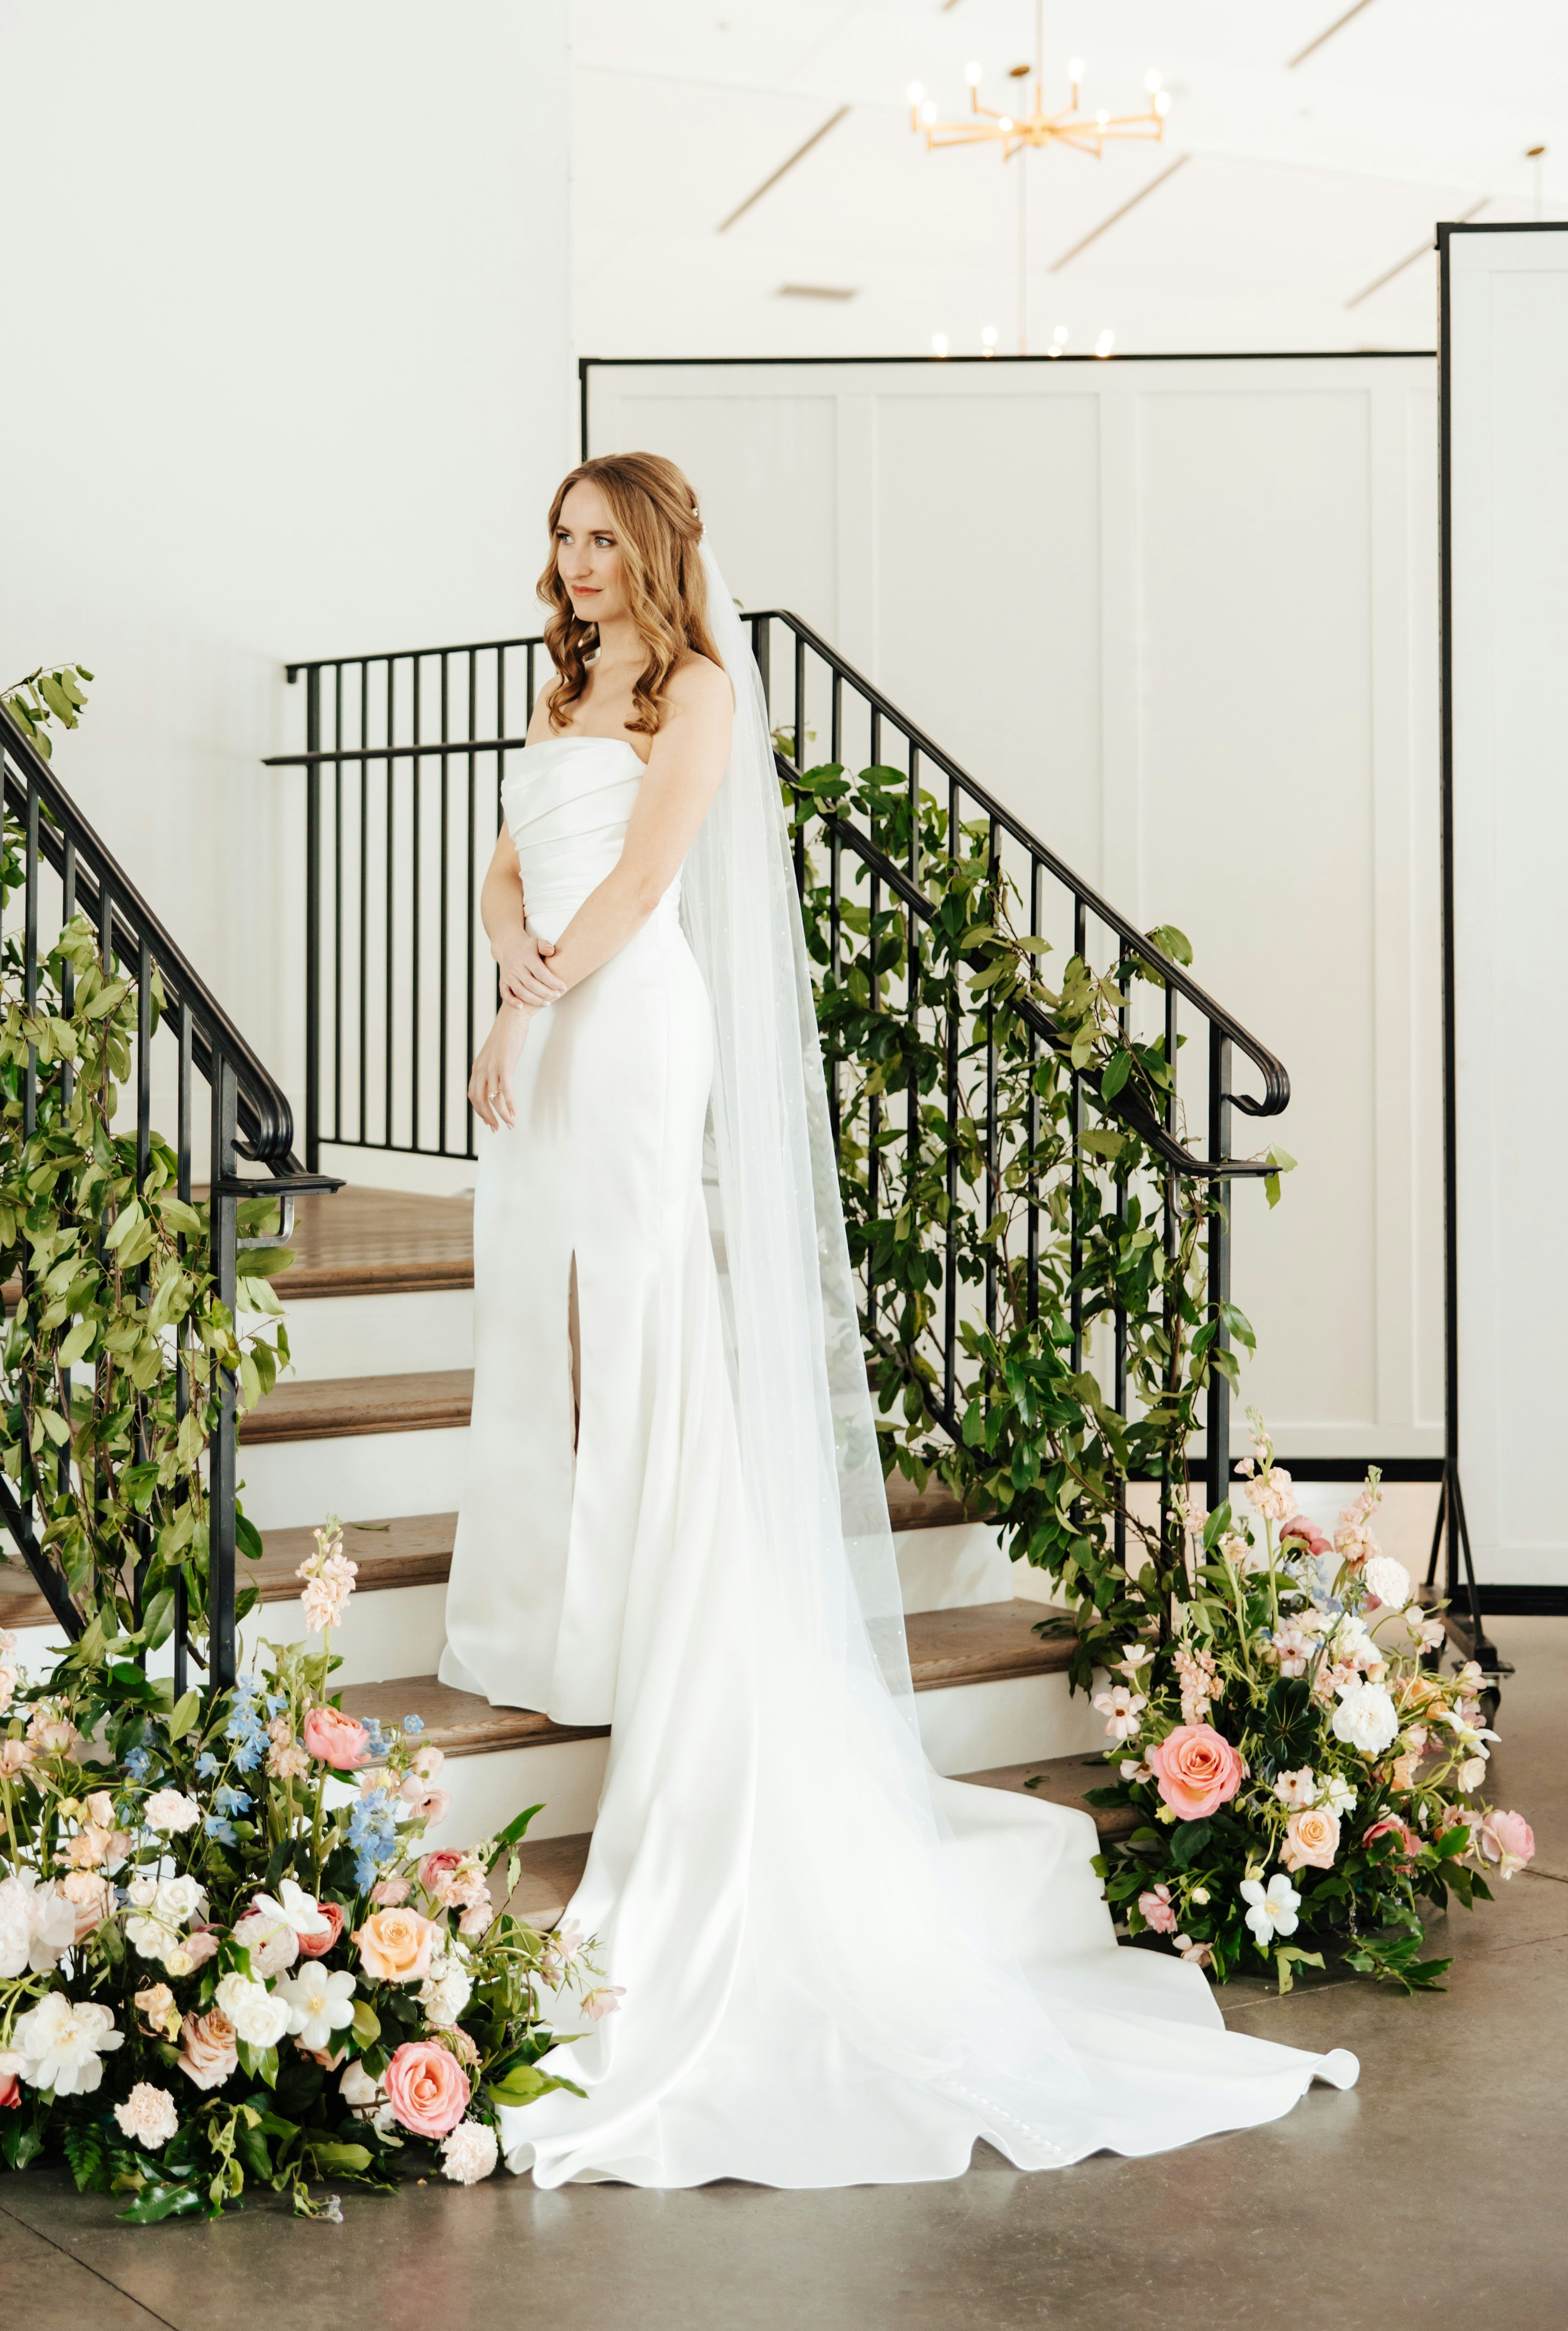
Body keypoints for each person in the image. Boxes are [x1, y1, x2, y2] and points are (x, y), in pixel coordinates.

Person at [441, 450, 1355, 2189]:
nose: (572, 567)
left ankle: (662, 1602)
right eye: (560, 540)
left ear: (655, 555)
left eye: (600, 542)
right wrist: (509, 975)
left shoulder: (701, 688)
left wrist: (545, 992)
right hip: (550, 1009)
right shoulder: (558, 688)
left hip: (630, 1025)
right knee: (546, 1319)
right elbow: (514, 864)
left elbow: (645, 886)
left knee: (638, 1308)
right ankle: (566, 1593)